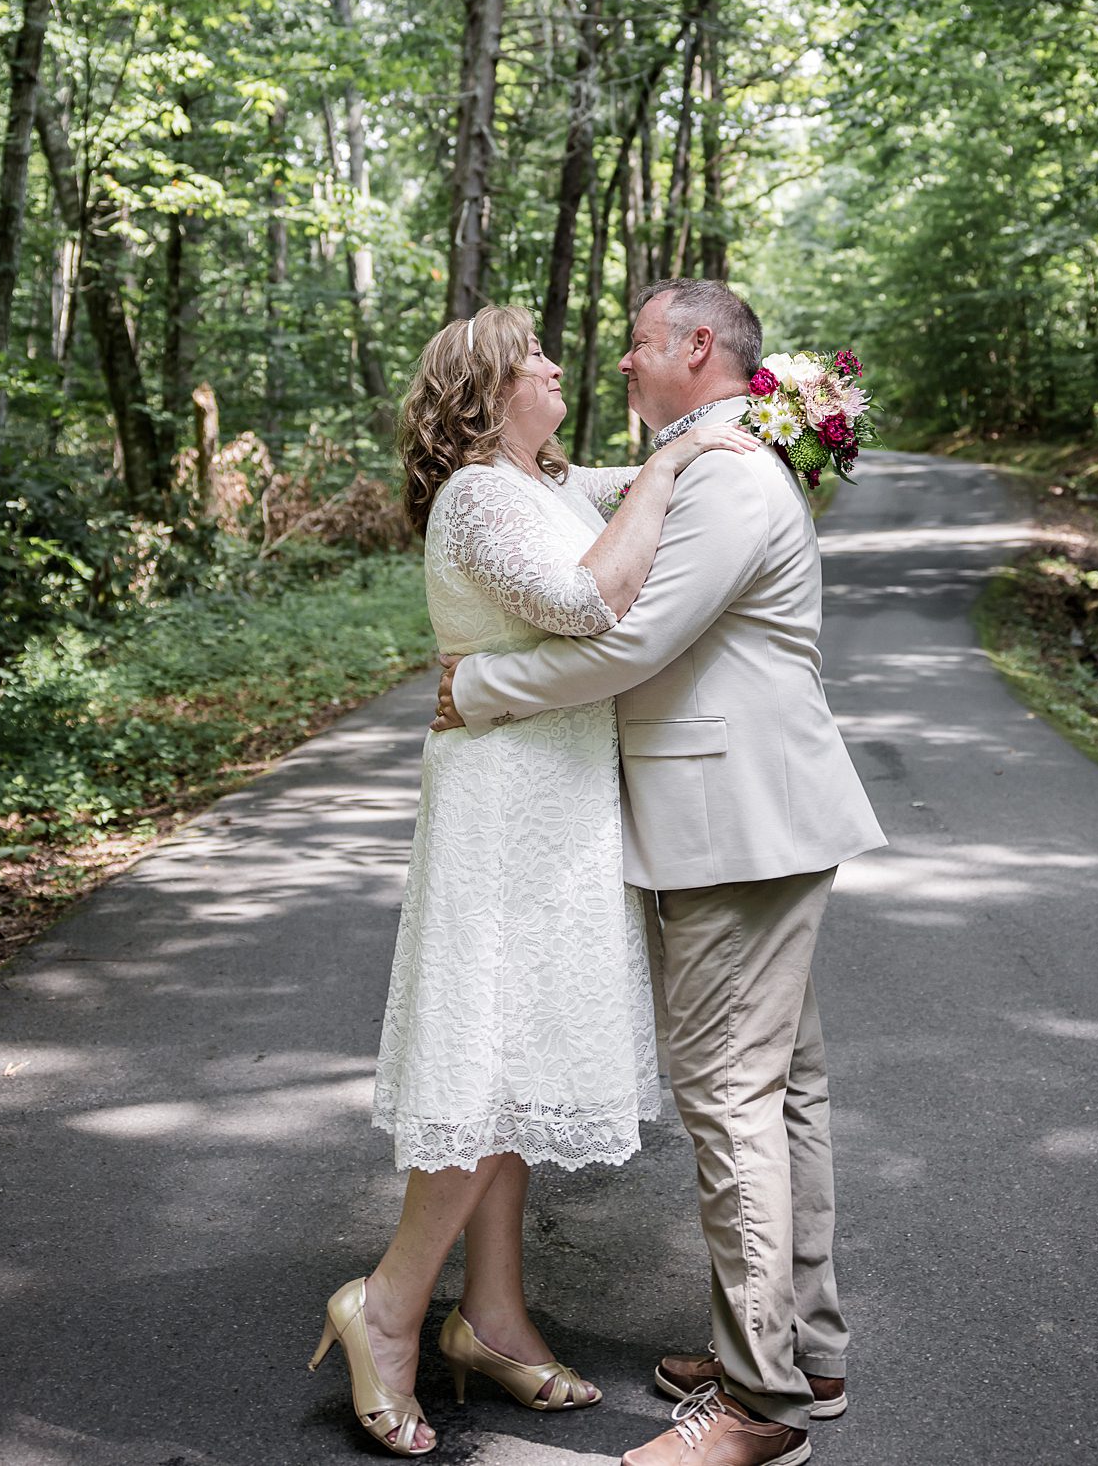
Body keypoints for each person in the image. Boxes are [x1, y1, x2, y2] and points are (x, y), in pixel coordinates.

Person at [434, 277, 886, 1466]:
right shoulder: (698, 463)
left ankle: (758, 1409)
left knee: (731, 1102)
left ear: (696, 347)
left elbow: (630, 639)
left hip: (733, 827)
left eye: (638, 343)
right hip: (744, 821)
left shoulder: (730, 476)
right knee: (783, 1094)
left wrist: (476, 690)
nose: (620, 364)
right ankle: (803, 1351)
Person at [310, 303, 757, 1458]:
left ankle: (494, 1319)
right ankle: (390, 1306)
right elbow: (581, 603)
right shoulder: (475, 496)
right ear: (489, 386)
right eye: (536, 355)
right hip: (501, 805)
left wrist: (720, 430)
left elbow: (664, 480)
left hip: (560, 802)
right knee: (484, 1060)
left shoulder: (550, 484)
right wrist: (667, 463)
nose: (560, 363)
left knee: (514, 1065)